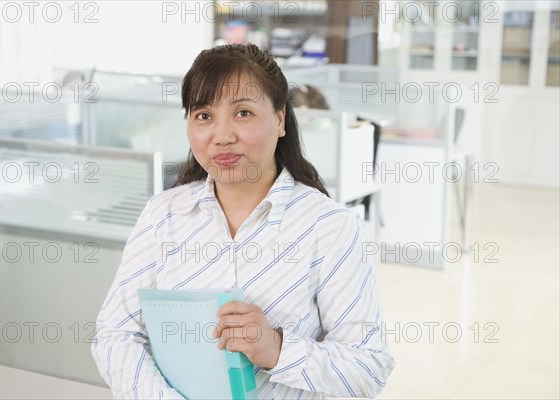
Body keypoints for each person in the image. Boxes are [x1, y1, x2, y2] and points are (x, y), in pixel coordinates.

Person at [91, 43, 394, 399]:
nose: (222, 136)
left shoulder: (329, 227)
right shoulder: (163, 215)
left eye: (243, 113)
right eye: (204, 115)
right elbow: (116, 335)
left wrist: (276, 349)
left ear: (280, 120)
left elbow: (368, 369)